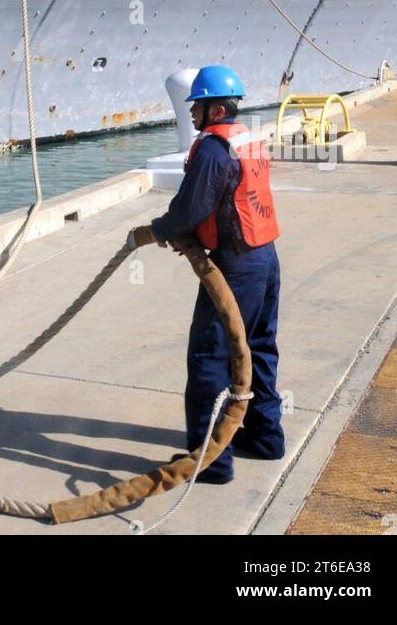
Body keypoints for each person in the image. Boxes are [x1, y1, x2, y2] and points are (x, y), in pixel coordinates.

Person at [150, 65, 285, 484]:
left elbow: (190, 209)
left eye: (198, 106)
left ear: (218, 108)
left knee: (211, 357)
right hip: (265, 257)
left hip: (235, 266)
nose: (192, 114)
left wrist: (160, 230)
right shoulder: (247, 138)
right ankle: (265, 439)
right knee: (258, 347)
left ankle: (209, 461)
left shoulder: (211, 149)